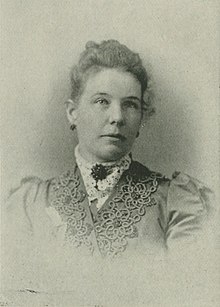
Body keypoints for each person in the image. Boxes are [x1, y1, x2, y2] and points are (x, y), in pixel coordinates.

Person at [3, 40, 213, 263]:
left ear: (141, 117)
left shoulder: (176, 203)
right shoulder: (29, 203)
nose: (118, 117)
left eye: (130, 104)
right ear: (73, 112)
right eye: (102, 101)